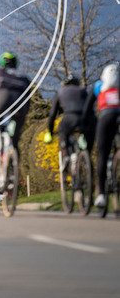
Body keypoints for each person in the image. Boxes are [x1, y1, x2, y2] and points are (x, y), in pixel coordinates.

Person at [0, 52, 30, 172]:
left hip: (2, 96)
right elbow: (29, 99)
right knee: (16, 136)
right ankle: (15, 156)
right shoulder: (24, 78)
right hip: (20, 99)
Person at [82, 63, 120, 207]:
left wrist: (85, 125)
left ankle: (102, 195)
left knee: (102, 155)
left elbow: (87, 109)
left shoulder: (98, 86)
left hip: (106, 118)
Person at [44, 74, 96, 169]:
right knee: (88, 144)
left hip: (69, 119)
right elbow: (91, 108)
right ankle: (87, 156)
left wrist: (50, 132)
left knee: (63, 132)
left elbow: (52, 114)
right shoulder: (83, 91)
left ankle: (67, 155)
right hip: (85, 119)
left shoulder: (60, 92)